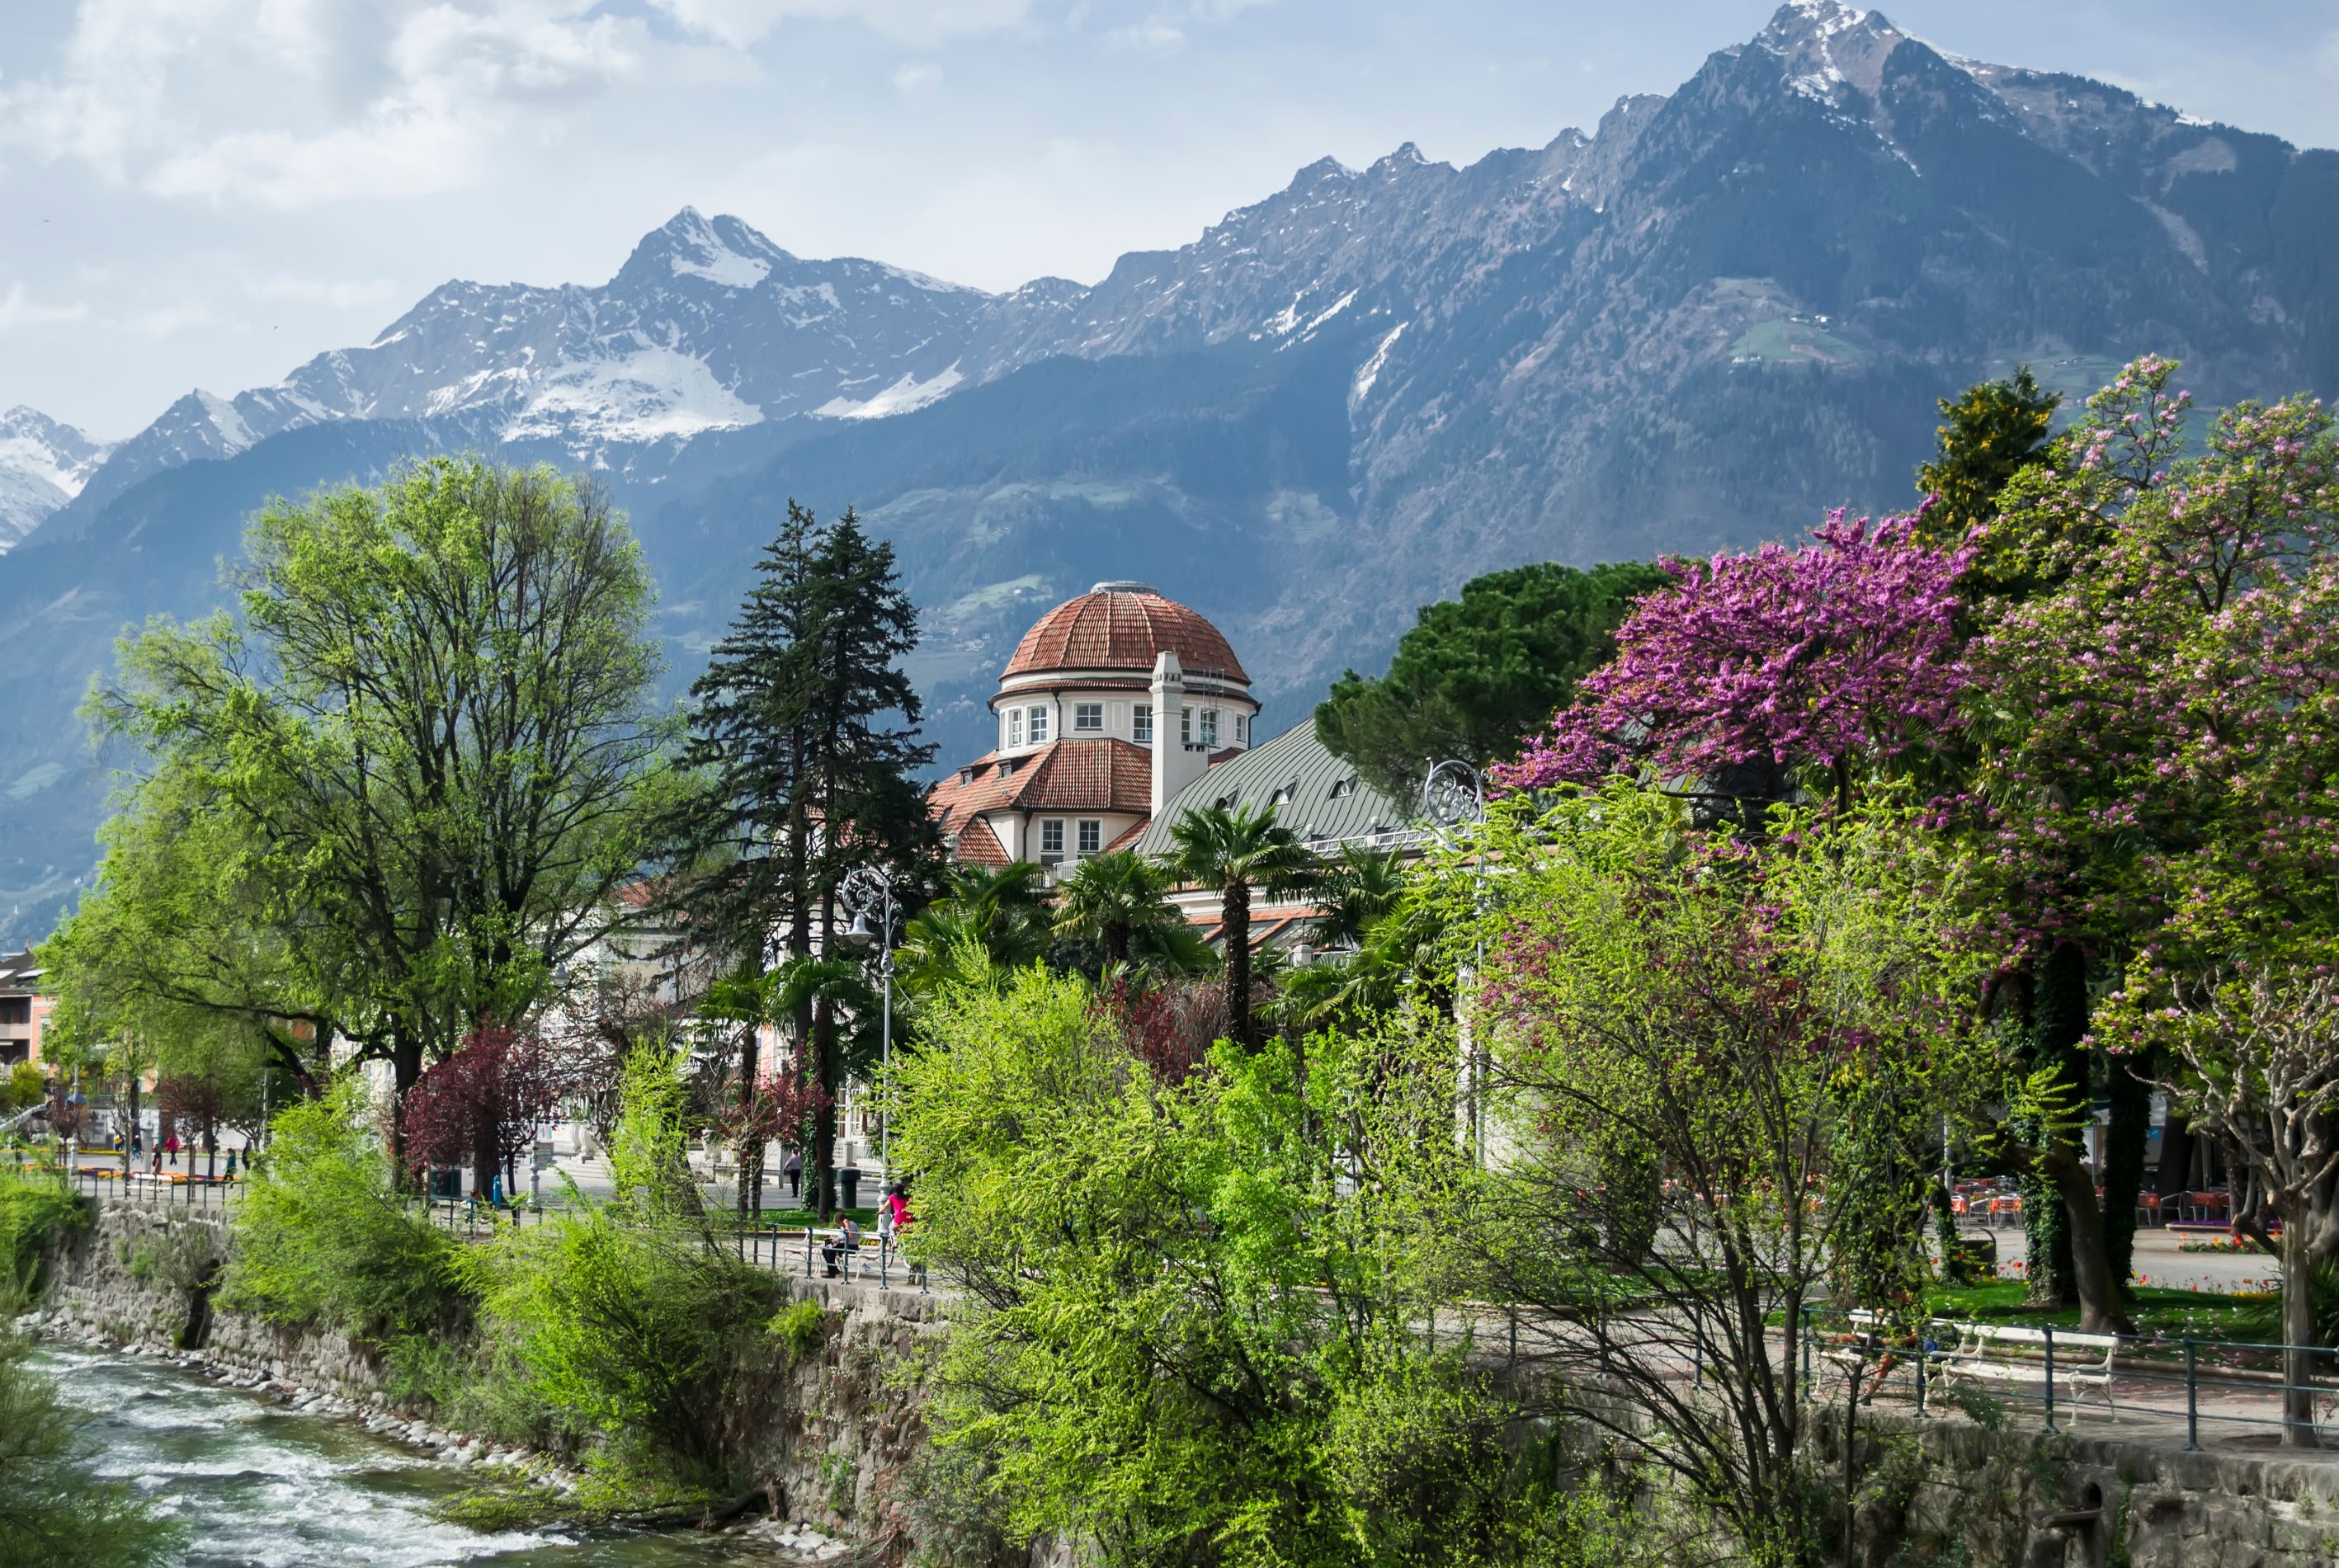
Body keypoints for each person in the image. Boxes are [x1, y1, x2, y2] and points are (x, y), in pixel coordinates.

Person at [822, 1213, 862, 1278]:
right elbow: (841, 1237)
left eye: (839, 1223)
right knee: (825, 1249)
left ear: (844, 1220)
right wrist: (835, 1240)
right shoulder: (842, 1227)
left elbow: (850, 1236)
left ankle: (832, 1273)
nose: (839, 1224)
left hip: (851, 1246)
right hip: (843, 1245)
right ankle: (834, 1270)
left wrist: (847, 1225)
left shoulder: (851, 1225)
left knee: (830, 1250)